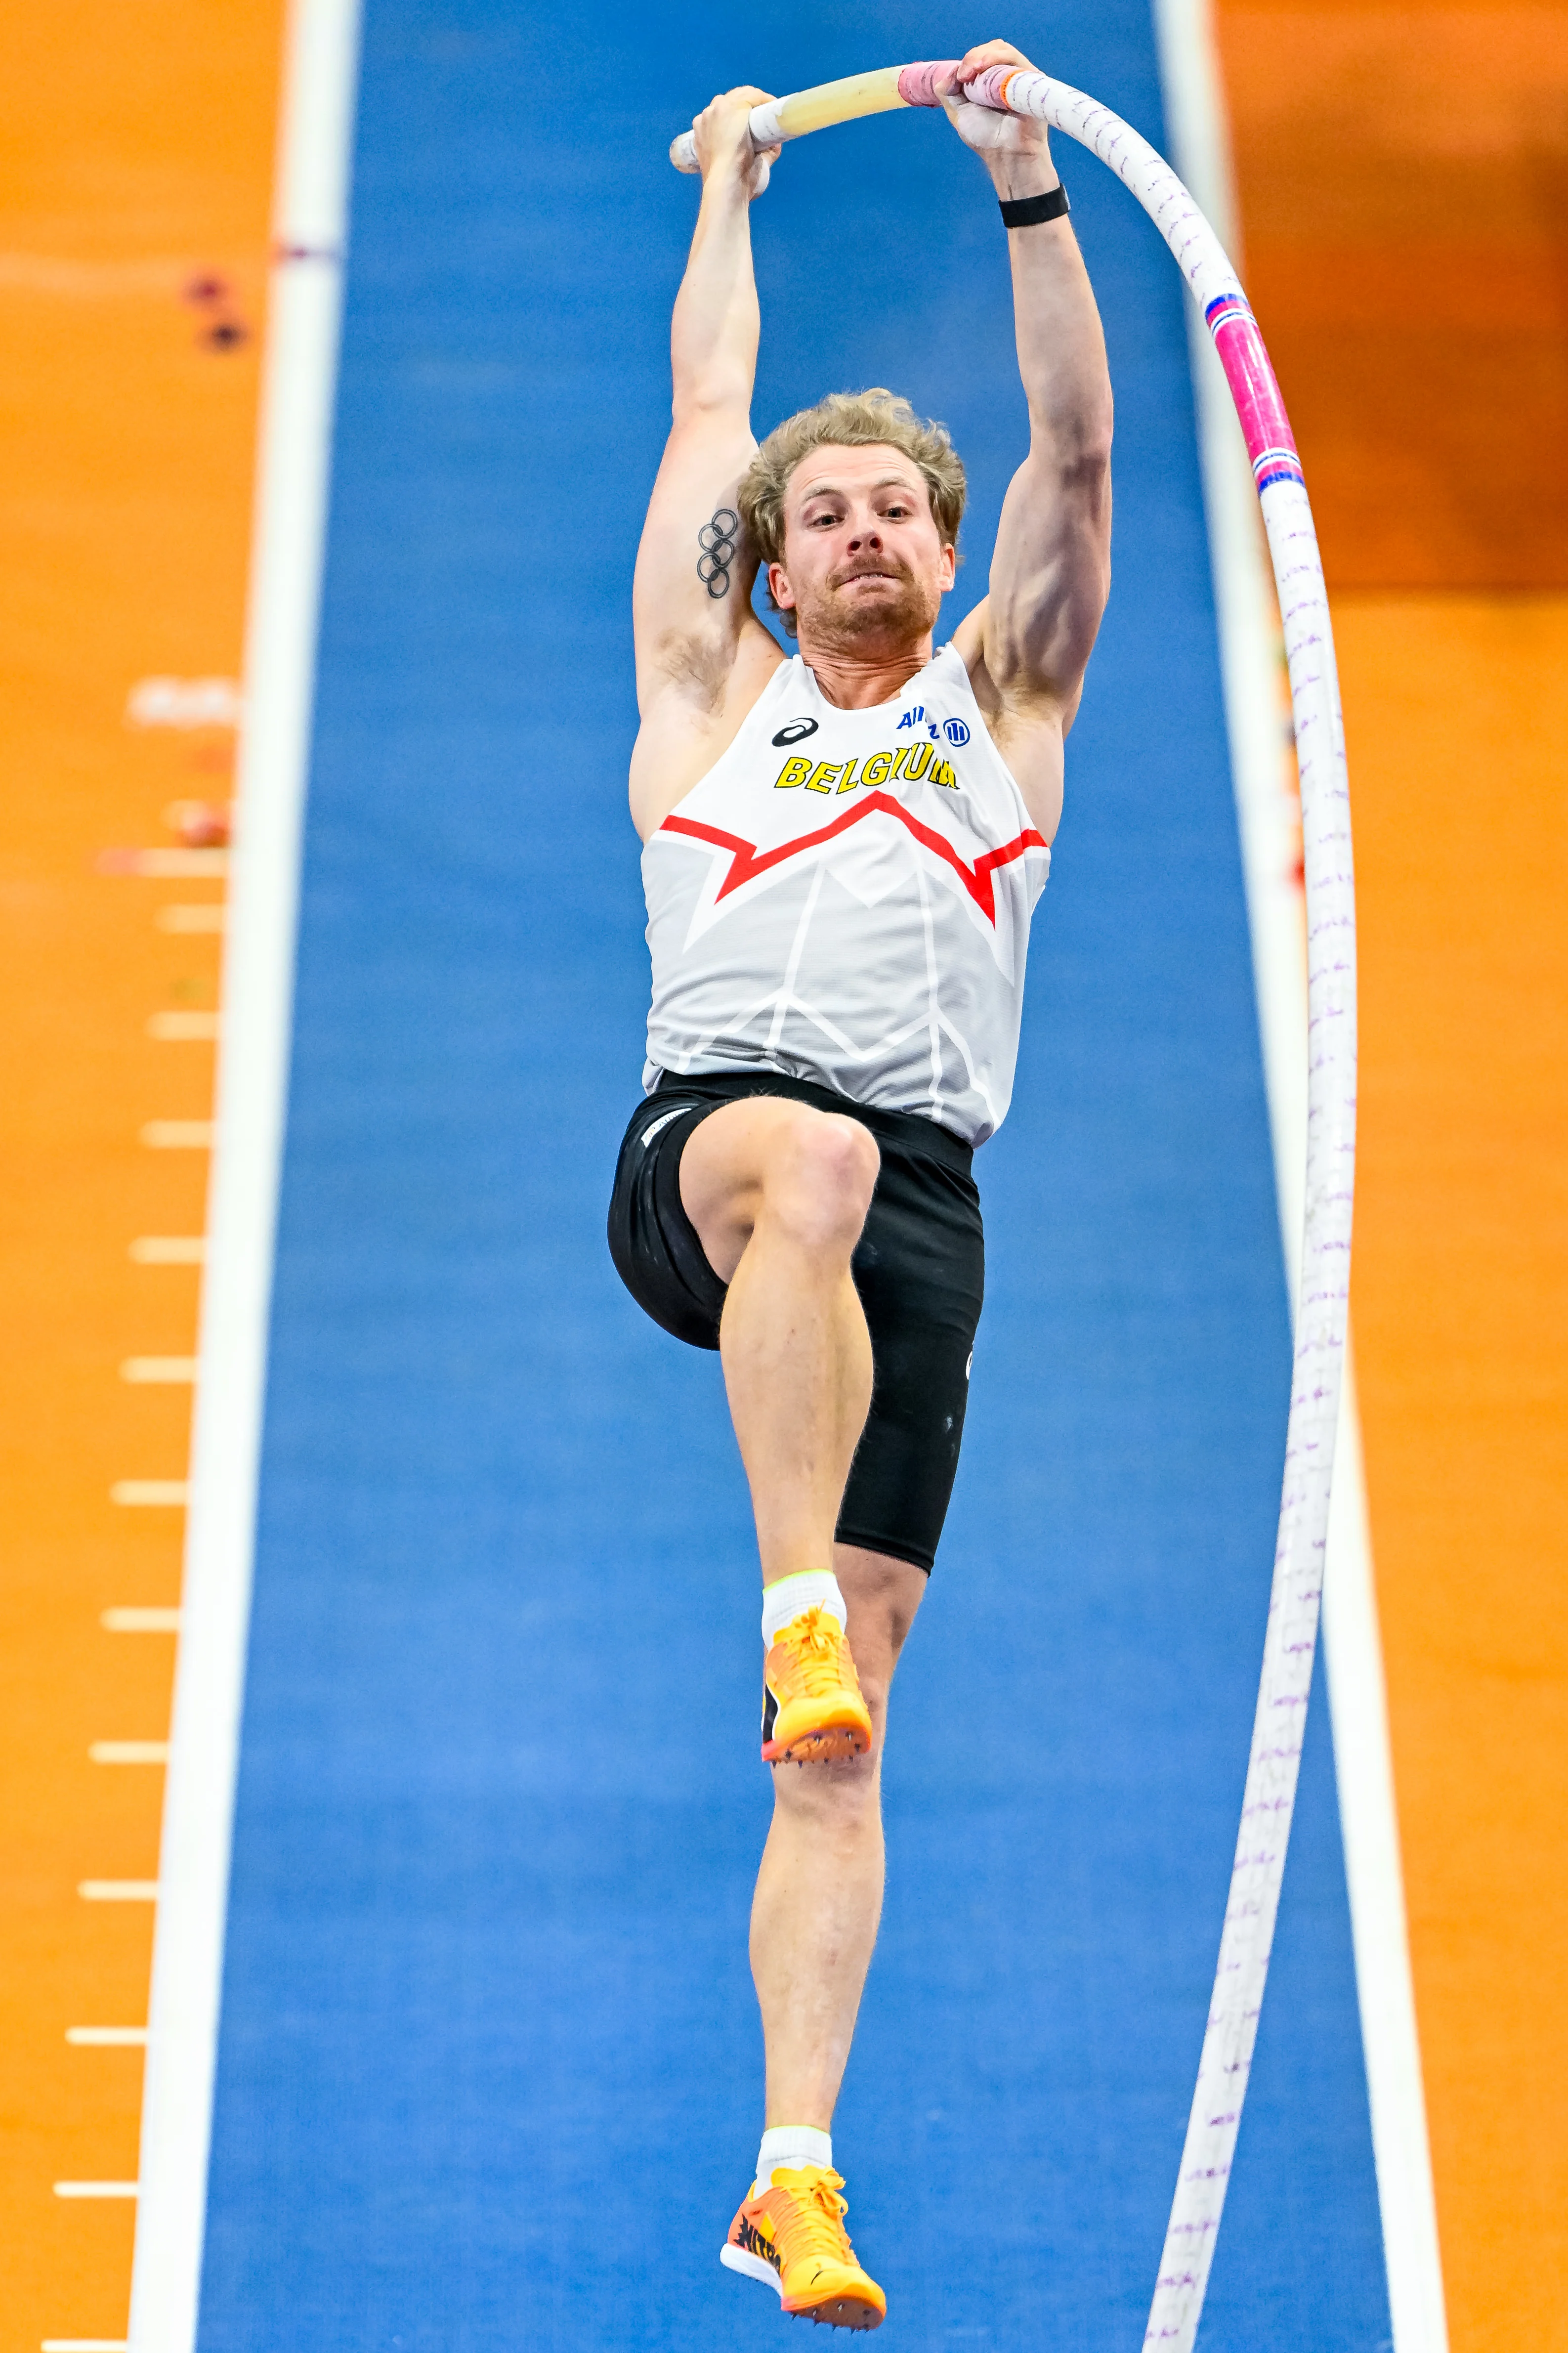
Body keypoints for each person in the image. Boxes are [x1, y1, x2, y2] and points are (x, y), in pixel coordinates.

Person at [607, 40, 1112, 2332]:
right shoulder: (710, 696)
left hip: (924, 1198)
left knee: (851, 1737)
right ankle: (779, 1593)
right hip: (709, 1141)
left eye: (905, 506)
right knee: (799, 1156)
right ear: (779, 558)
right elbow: (708, 409)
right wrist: (734, 187)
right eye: (831, 513)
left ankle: (786, 2167)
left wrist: (1028, 192)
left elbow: (1079, 459)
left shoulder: (1003, 709)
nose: (872, 533)